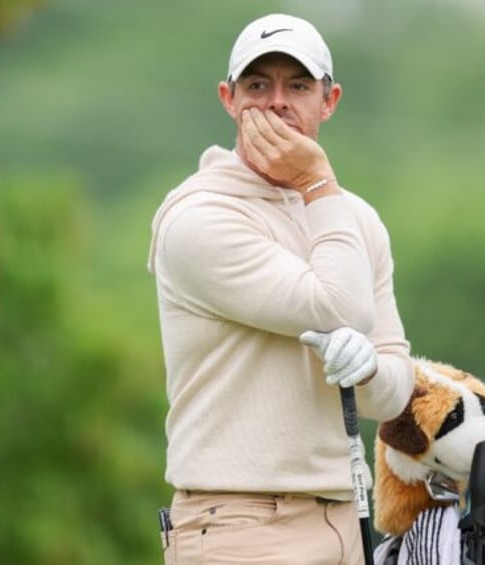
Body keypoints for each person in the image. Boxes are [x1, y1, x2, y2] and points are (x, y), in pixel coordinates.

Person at [147, 13, 415, 565]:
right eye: (257, 86)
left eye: (297, 86)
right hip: (239, 525)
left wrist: (366, 368)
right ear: (228, 99)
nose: (276, 103)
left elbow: (391, 394)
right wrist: (317, 177)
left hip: (345, 518)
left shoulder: (353, 219)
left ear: (329, 100)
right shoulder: (198, 217)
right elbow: (338, 305)